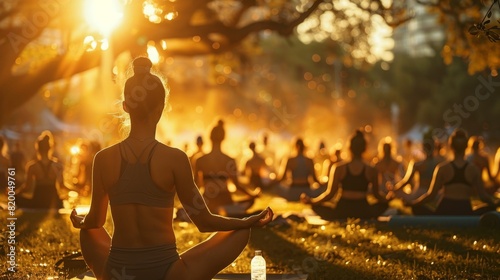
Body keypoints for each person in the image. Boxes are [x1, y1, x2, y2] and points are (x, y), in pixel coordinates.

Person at [70, 57, 273, 280]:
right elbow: (204, 222)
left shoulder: (103, 158)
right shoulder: (175, 158)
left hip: (118, 273)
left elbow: (95, 222)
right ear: (161, 107)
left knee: (88, 231)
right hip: (168, 275)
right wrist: (245, 222)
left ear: (126, 106)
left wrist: (81, 222)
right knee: (241, 233)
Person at [301, 130, 391, 219]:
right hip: (363, 210)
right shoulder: (371, 170)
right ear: (364, 149)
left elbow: (330, 194)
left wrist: (313, 202)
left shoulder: (338, 168)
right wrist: (388, 199)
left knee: (318, 208)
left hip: (342, 210)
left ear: (349, 148)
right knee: (384, 205)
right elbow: (377, 195)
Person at [405, 129, 499, 215]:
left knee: (416, 209)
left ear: (451, 146)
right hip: (465, 209)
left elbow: (431, 195)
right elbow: (483, 196)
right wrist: (495, 204)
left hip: (445, 209)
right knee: (490, 209)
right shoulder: (473, 169)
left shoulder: (442, 168)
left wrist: (413, 203)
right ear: (466, 146)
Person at [194, 120, 260, 216]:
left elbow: (195, 185)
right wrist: (252, 195)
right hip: (225, 200)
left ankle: (217, 211)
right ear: (223, 138)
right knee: (250, 201)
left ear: (209, 137)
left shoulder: (200, 160)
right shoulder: (230, 160)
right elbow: (237, 186)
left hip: (208, 200)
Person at [16, 131, 68, 209]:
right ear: (50, 148)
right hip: (53, 202)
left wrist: (14, 194)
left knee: (16, 199)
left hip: (38, 202)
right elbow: (62, 185)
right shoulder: (58, 166)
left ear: (37, 149)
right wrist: (75, 190)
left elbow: (27, 187)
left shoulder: (32, 166)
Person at [393, 136, 444, 215]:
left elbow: (406, 181)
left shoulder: (417, 164)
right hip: (435, 194)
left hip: (420, 193)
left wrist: (395, 189)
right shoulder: (441, 163)